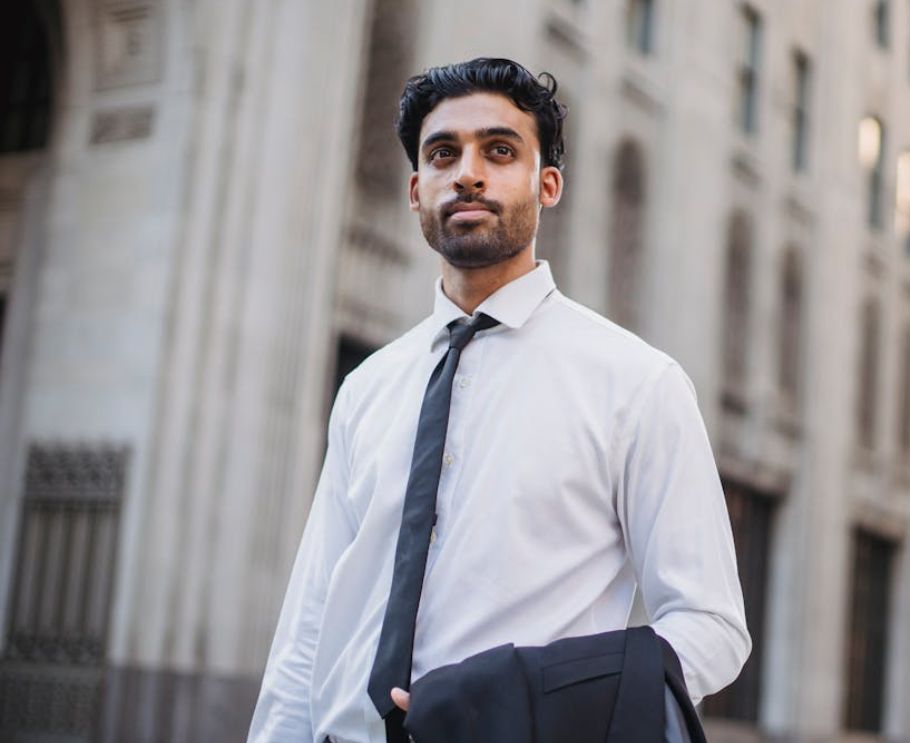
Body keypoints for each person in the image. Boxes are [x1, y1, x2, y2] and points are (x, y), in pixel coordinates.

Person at [247, 57, 750, 742]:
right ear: (415, 188)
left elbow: (711, 627)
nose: (468, 172)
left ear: (548, 185)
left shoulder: (637, 384)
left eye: (499, 150)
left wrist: (525, 699)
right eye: (443, 153)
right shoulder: (367, 387)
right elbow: (310, 621)